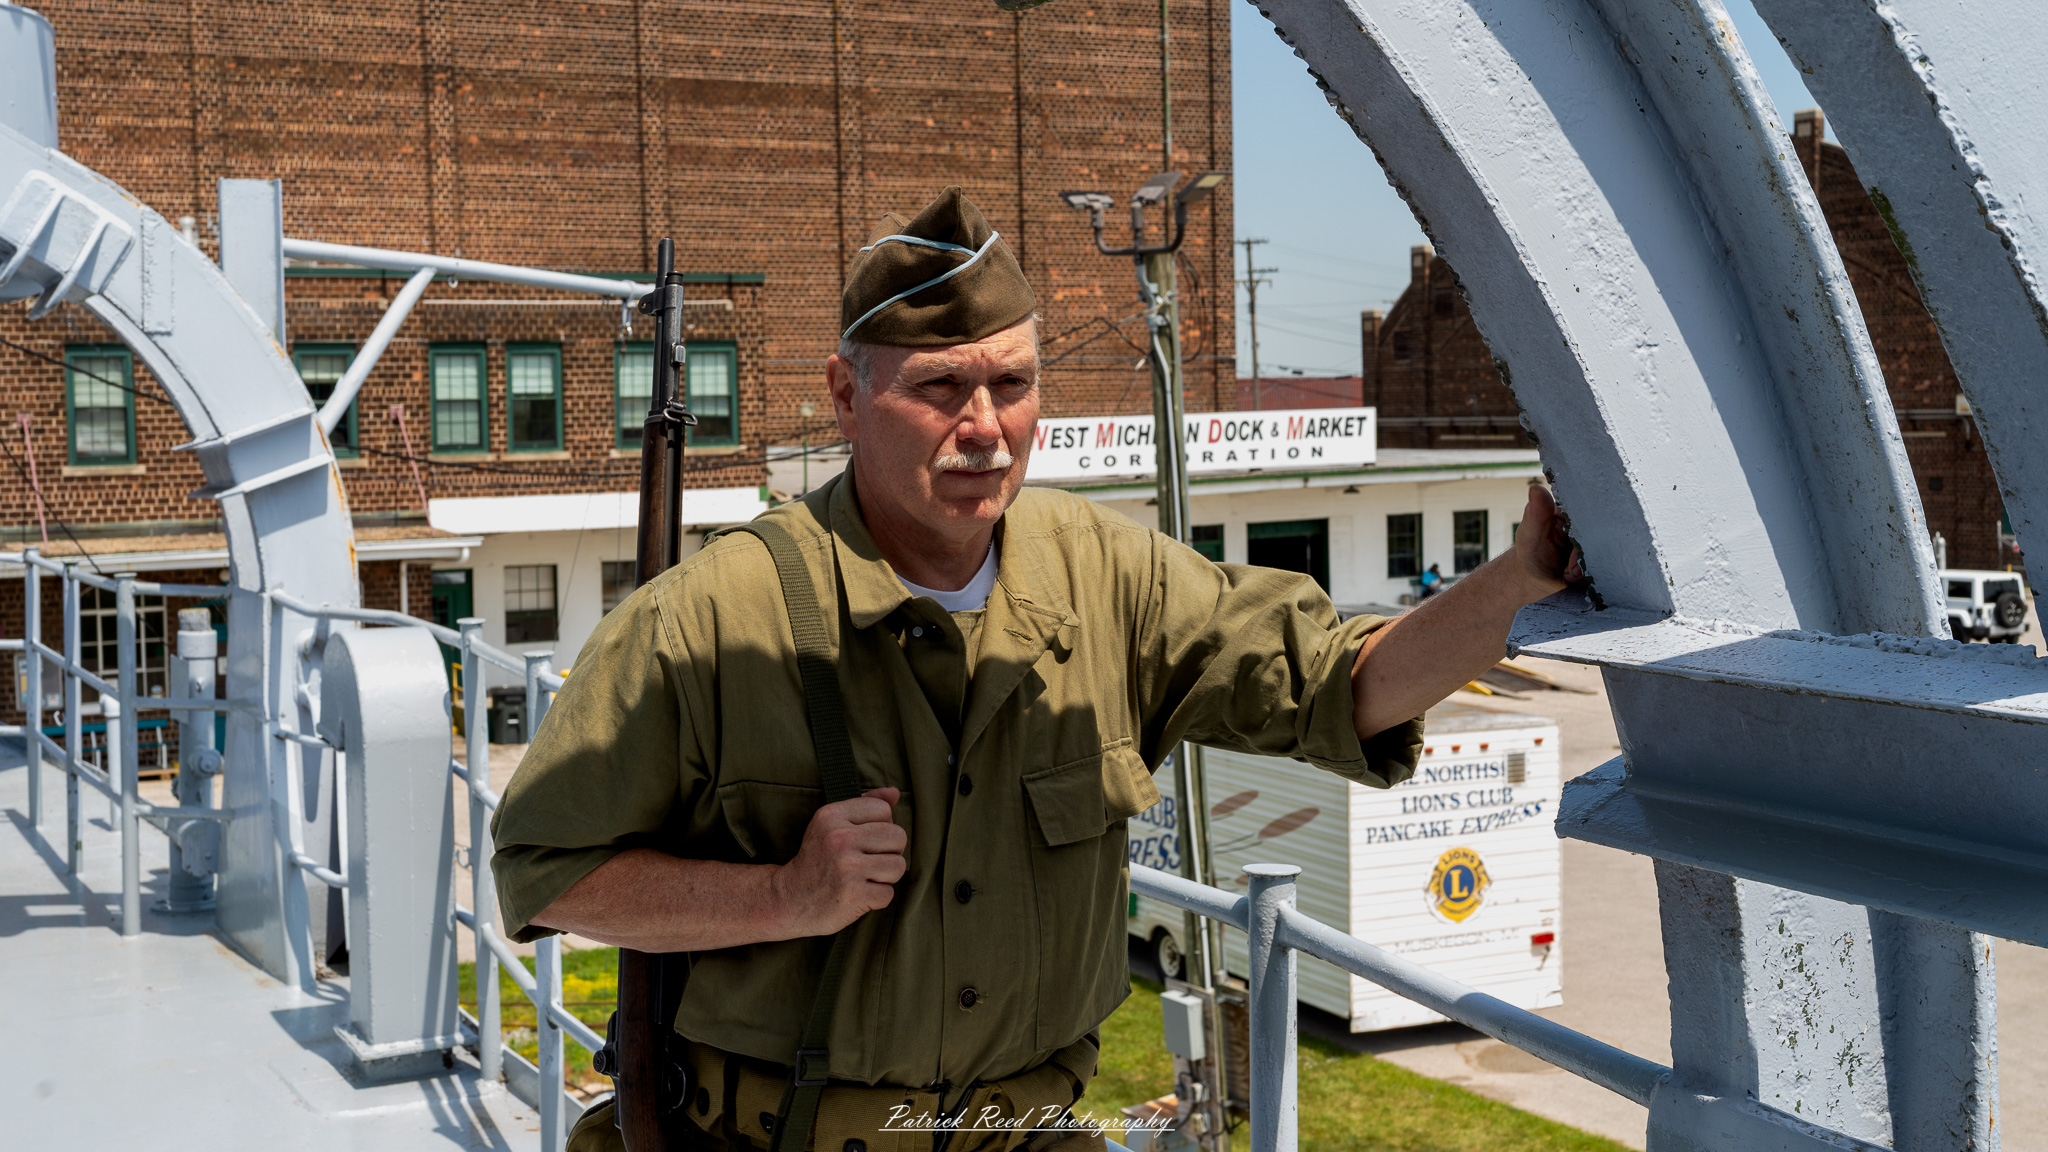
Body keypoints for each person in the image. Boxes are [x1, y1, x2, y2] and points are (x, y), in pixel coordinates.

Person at [490, 187, 1579, 1152]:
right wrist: (786, 894)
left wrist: (1518, 580)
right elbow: (545, 873)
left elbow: (1339, 687)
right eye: (939, 388)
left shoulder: (1112, 578)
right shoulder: (709, 623)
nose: (985, 431)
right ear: (842, 392)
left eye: (1012, 384)